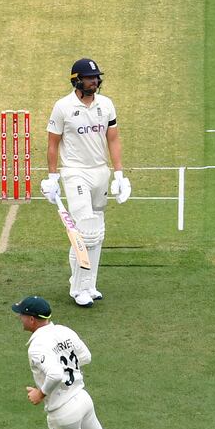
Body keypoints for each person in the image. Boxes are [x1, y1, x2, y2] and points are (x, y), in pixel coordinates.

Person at [13, 295, 156, 429]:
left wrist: (40, 393)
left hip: (63, 411)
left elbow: (55, 375)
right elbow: (85, 356)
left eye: (22, 315)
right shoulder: (64, 331)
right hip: (82, 398)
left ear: (32, 319)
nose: (20, 318)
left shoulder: (37, 346)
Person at [41, 58, 131, 307]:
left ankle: (89, 284)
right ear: (77, 80)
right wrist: (52, 177)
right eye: (90, 77)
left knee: (97, 233)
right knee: (85, 230)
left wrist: (119, 174)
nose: (95, 81)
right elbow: (52, 143)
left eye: (96, 77)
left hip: (100, 172)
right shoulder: (62, 107)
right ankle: (78, 288)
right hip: (75, 172)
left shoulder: (106, 105)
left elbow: (113, 139)